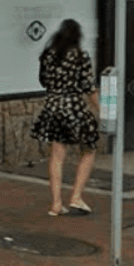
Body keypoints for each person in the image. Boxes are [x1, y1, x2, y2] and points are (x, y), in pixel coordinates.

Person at [30, 19, 100, 217]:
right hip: (74, 108)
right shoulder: (80, 57)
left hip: (52, 107)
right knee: (88, 149)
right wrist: (102, 109)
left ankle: (56, 204)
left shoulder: (48, 56)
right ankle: (76, 197)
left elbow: (44, 81)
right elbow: (88, 87)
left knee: (56, 157)